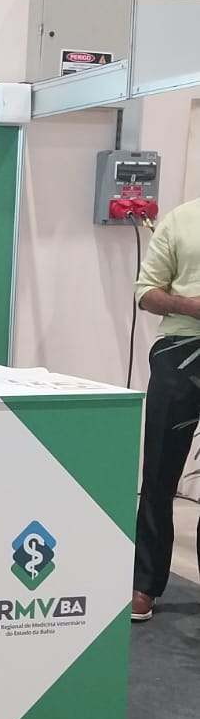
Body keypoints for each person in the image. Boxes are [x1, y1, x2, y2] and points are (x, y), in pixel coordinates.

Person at [131, 196, 200, 621]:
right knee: (159, 473)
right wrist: (187, 305)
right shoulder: (181, 220)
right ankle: (146, 584)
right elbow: (146, 293)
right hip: (180, 352)